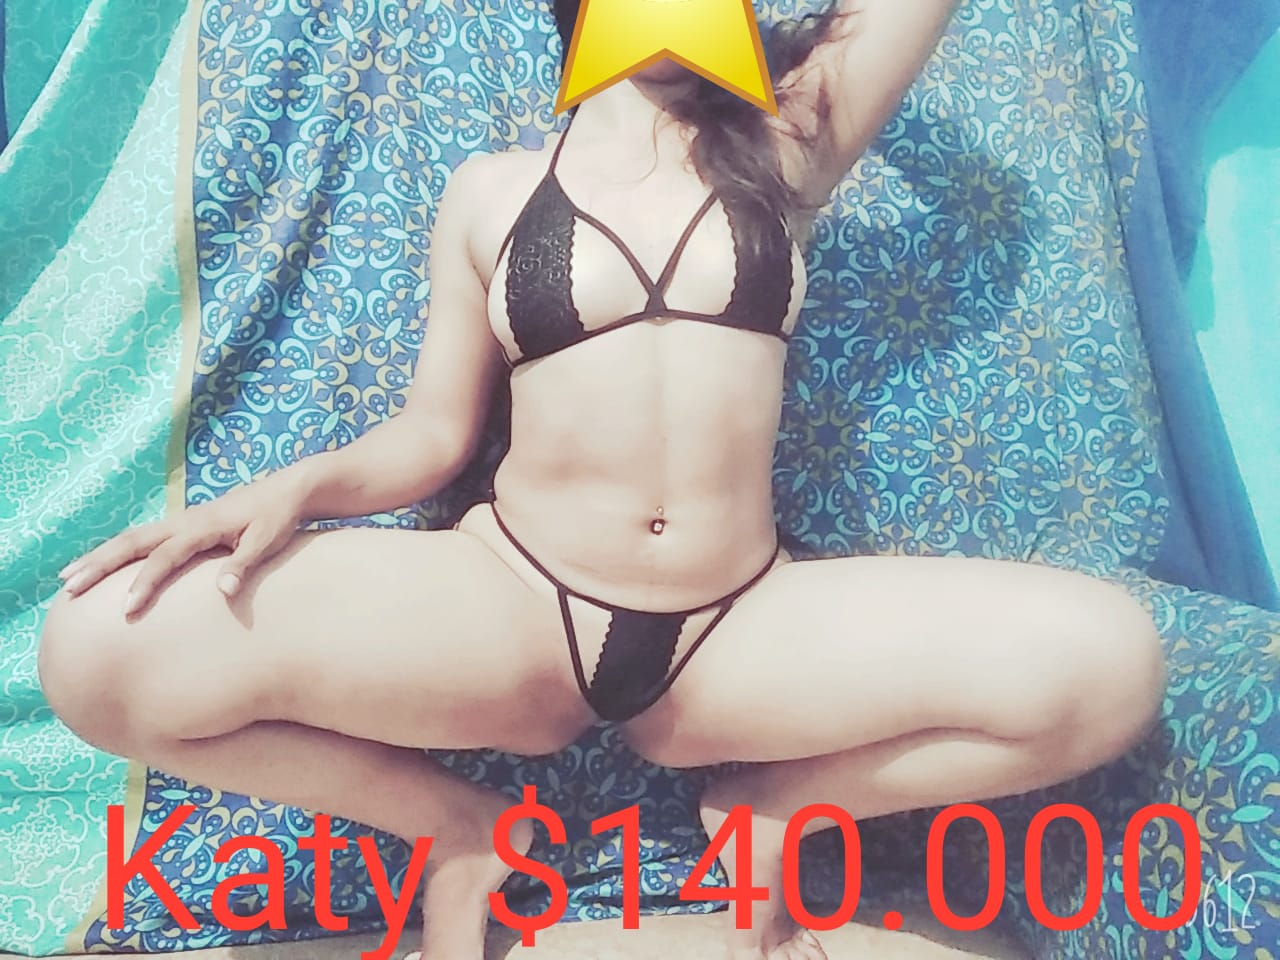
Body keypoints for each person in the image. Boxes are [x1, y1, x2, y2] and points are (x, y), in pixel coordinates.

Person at [37, 1, 1168, 958]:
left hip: (737, 631)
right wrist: (290, 488)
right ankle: (453, 828)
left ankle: (774, 809)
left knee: (1112, 666)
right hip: (517, 607)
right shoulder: (492, 191)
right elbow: (432, 435)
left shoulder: (789, 142)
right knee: (93, 653)